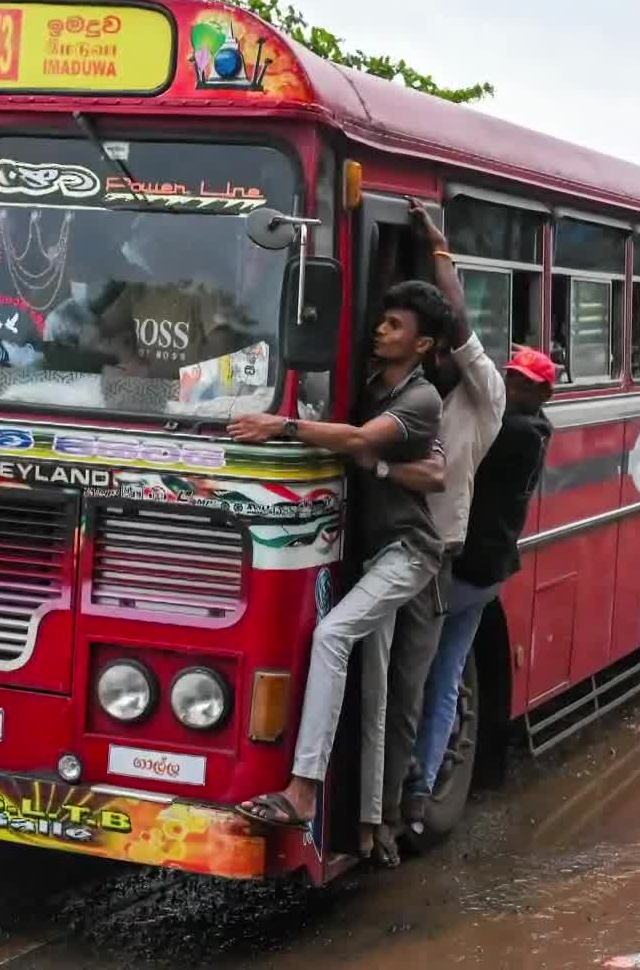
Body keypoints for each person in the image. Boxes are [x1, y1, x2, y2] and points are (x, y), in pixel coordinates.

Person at [229, 281, 450, 857]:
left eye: (395, 326)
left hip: (410, 552)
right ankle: (370, 826)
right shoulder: (375, 384)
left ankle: (303, 793)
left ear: (422, 344)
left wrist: (280, 428)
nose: (381, 329)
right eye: (382, 320)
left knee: (332, 635)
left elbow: (358, 440)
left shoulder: (421, 399)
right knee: (373, 693)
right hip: (374, 550)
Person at [365, 201, 505, 861]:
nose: (447, 351)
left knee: (412, 686)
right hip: (380, 543)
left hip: (431, 557)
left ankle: (400, 807)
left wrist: (442, 252)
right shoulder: (404, 392)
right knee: (386, 681)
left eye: (447, 345)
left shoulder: (482, 400)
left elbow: (461, 325)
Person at [404, 346, 554, 827]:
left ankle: (408, 778)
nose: (510, 387)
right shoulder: (529, 427)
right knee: (446, 676)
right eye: (508, 377)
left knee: (418, 669)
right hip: (488, 572)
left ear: (540, 392)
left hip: (469, 571)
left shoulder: (516, 431)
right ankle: (424, 787)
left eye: (522, 383)